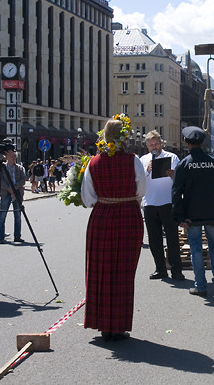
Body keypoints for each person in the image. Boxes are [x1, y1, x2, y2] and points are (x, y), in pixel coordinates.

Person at [81, 116, 146, 341]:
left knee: (100, 270)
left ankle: (101, 323)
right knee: (124, 272)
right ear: (125, 137)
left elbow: (88, 198)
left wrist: (106, 199)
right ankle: (117, 326)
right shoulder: (133, 160)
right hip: (128, 214)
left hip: (101, 216)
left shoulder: (93, 162)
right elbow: (141, 191)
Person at [172, 126, 214, 297]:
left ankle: (201, 286)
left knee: (196, 249)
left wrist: (179, 217)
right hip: (213, 213)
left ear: (186, 142)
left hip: (192, 216)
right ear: (203, 142)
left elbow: (176, 193)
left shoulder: (184, 165)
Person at [139, 130, 184, 281]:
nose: (154, 146)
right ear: (147, 146)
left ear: (161, 143)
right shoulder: (143, 160)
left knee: (172, 238)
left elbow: (179, 179)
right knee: (154, 239)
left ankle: (176, 270)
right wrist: (147, 170)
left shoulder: (171, 157)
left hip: (167, 202)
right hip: (150, 204)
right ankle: (160, 269)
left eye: (156, 143)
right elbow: (139, 181)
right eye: (151, 144)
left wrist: (172, 174)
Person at [0, 148, 27, 243]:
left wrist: (15, 187)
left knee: (17, 215)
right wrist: (8, 189)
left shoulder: (20, 168)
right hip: (6, 194)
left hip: (17, 193)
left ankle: (17, 236)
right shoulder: (2, 168)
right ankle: (0, 237)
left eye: (15, 156)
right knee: (2, 215)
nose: (14, 157)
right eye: (12, 156)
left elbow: (23, 180)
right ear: (7, 157)